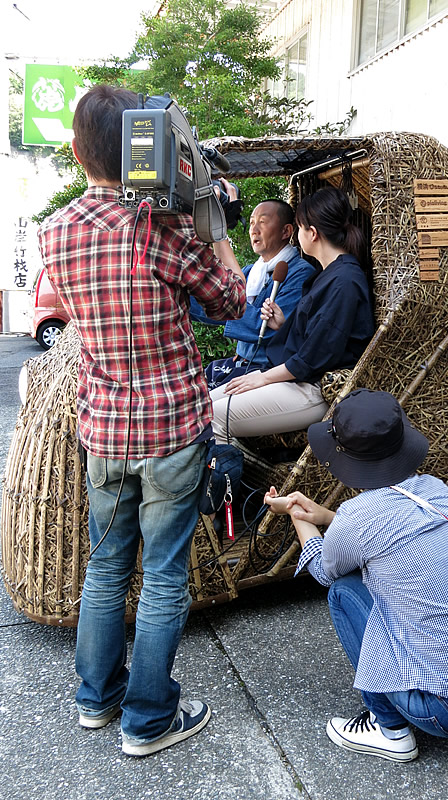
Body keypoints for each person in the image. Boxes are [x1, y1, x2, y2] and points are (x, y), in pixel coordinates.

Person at [37, 85, 247, 757]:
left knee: (104, 570)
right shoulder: (163, 227)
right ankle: (148, 720)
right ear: (148, 151)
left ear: (77, 153)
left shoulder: (55, 231)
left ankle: (97, 700)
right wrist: (215, 226)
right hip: (172, 431)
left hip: (103, 427)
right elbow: (229, 303)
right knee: (161, 576)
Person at [264, 389, 448, 763]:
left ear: (344, 456)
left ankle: (388, 729)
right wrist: (322, 516)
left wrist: (296, 514)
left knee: (342, 591)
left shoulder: (358, 517)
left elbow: (323, 569)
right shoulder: (436, 489)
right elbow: (385, 537)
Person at [210, 187, 375, 443]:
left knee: (211, 417)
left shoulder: (344, 281)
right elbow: (316, 335)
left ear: (312, 233)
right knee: (199, 407)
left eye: (298, 228)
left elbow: (314, 357)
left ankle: (221, 480)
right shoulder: (327, 275)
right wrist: (282, 324)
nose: (297, 237)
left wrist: (261, 378)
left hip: (313, 389)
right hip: (294, 379)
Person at [190, 199, 316, 387]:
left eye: (263, 222)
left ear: (286, 231)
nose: (254, 229)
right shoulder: (251, 271)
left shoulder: (300, 272)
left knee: (206, 407)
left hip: (268, 370)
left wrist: (227, 306)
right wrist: (179, 297)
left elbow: (266, 327)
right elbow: (215, 302)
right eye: (251, 222)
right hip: (241, 365)